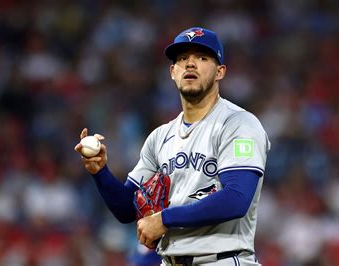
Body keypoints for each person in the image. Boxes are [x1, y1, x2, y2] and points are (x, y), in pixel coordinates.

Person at [75, 26, 270, 265]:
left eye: (202, 57)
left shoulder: (238, 124)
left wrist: (165, 219)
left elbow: (236, 199)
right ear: (172, 72)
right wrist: (100, 172)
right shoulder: (160, 137)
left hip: (222, 259)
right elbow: (127, 208)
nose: (190, 64)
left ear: (220, 71)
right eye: (182, 58)